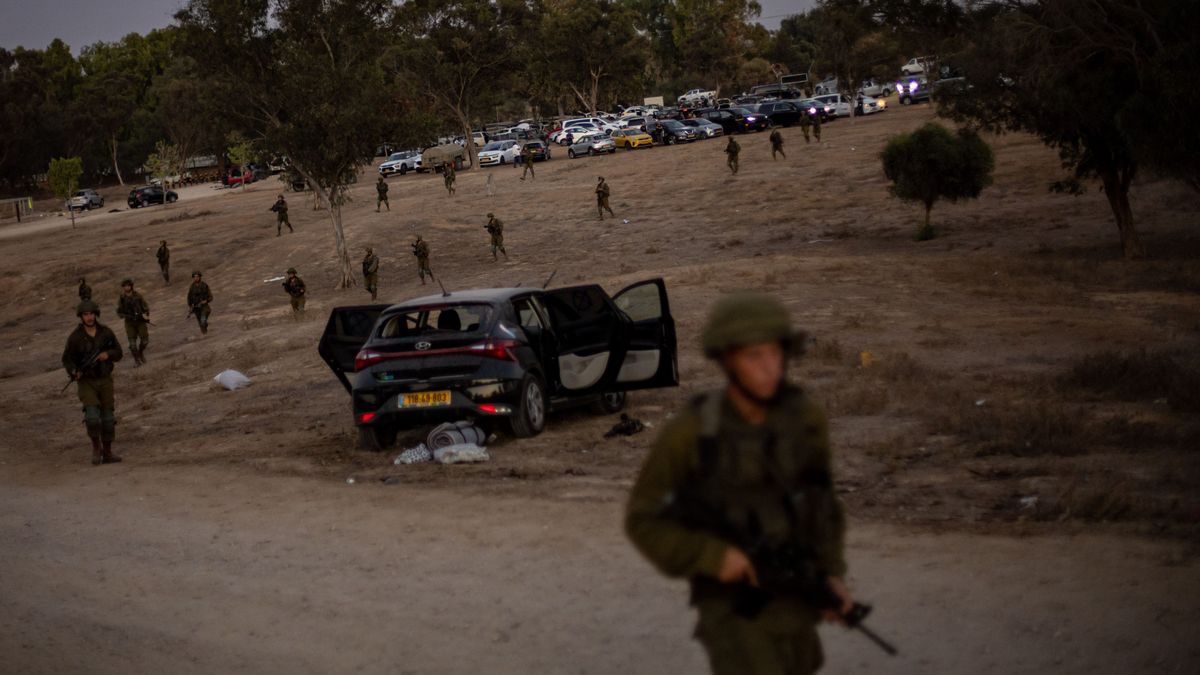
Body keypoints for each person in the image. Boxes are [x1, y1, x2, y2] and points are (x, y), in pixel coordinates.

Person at [625, 293, 852, 675]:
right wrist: (712, 556)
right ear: (727, 360)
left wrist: (829, 576)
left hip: (794, 596)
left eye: (775, 354)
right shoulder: (692, 432)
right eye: (754, 356)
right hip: (732, 605)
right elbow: (643, 519)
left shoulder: (804, 420)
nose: (770, 368)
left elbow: (822, 503)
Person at [61, 299, 123, 465]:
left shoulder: (106, 333)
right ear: (81, 316)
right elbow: (67, 359)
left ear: (96, 314)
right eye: (85, 314)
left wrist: (107, 355)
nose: (89, 317)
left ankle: (108, 452)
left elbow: (119, 352)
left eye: (91, 314)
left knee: (108, 418)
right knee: (93, 417)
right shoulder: (75, 338)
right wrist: (74, 372)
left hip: (105, 379)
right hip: (87, 381)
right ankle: (96, 448)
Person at [115, 278, 150, 366]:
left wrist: (146, 313)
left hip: (140, 321)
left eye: (128, 285)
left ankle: (140, 353)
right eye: (125, 286)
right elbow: (119, 311)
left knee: (145, 341)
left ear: (131, 286)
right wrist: (123, 315)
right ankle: (136, 360)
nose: (127, 287)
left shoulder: (138, 296)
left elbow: (145, 306)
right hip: (129, 323)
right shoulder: (122, 298)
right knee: (132, 344)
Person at [186, 270, 213, 335]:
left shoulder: (204, 285)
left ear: (200, 277)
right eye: (194, 277)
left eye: (197, 277)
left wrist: (205, 301)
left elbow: (211, 297)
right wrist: (190, 306)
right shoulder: (192, 287)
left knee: (203, 321)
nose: (196, 278)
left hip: (204, 307)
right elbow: (189, 298)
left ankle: (205, 326)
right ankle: (205, 335)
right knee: (201, 323)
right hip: (196, 308)